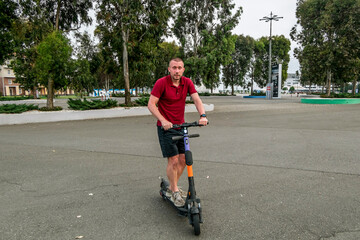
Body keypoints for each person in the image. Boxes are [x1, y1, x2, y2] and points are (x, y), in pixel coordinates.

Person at [148, 58, 208, 207]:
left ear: (183, 70)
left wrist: (203, 115)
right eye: (174, 68)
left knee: (183, 160)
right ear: (169, 69)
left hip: (181, 126)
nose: (176, 71)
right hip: (166, 128)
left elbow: (196, 99)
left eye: (179, 68)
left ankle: (171, 187)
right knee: (173, 160)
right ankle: (174, 190)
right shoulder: (161, 83)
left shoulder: (187, 82)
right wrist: (163, 120)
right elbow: (151, 104)